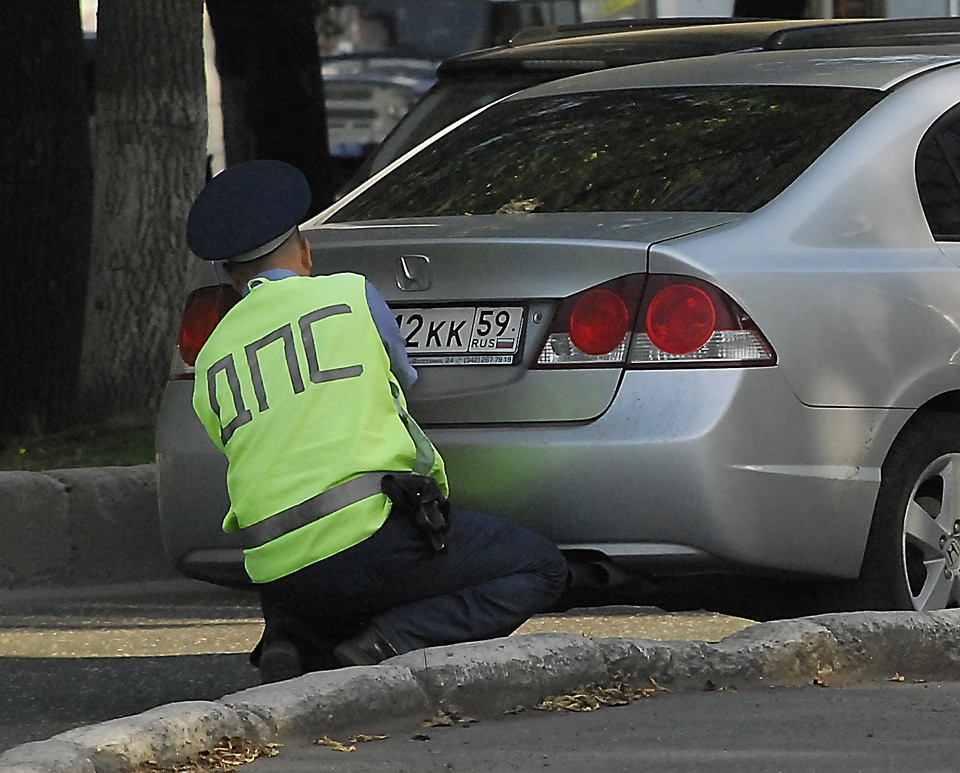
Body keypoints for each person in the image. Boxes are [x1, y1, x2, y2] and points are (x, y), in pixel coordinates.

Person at [185, 159, 569, 683]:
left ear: (229, 274)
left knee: (317, 561)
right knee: (540, 566)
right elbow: (405, 379)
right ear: (304, 248)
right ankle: (388, 644)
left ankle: (290, 638)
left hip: (276, 578)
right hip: (368, 541)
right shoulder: (347, 296)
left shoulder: (211, 356)